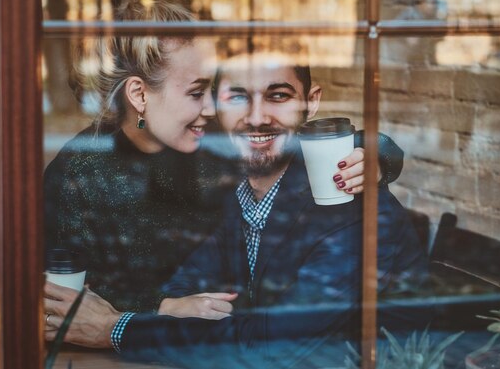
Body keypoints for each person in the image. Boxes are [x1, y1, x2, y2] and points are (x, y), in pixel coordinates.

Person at [44, 48, 428, 368]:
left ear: (310, 103)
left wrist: (114, 328)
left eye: (278, 96)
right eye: (238, 97)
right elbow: (189, 281)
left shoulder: (347, 204)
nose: (257, 117)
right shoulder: (239, 190)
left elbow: (269, 348)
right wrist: (169, 307)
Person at [44, 1, 404, 312]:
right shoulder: (79, 173)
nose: (213, 106)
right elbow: (63, 290)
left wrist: (377, 155)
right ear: (139, 95)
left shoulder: (210, 137)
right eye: (198, 91)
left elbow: (294, 135)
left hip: (230, 332)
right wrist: (161, 308)